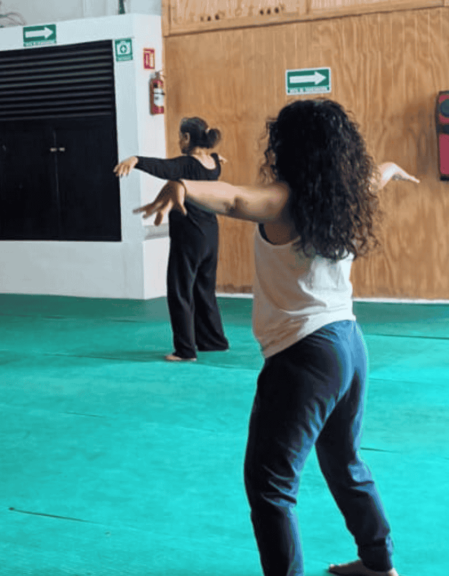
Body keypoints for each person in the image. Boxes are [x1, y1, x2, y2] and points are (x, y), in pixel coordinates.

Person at [136, 99, 417, 576]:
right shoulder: (347, 194)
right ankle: (378, 563)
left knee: (270, 488)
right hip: (349, 345)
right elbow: (379, 176)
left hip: (305, 356)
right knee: (345, 462)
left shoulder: (285, 199)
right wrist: (389, 166)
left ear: (287, 148)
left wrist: (182, 183)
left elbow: (233, 199)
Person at [114, 117, 230, 362]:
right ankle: (214, 341)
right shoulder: (214, 163)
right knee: (204, 290)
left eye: (181, 136)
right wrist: (217, 158)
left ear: (187, 138)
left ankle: (185, 350)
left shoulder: (186, 165)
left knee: (179, 291)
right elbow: (215, 161)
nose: (179, 141)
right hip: (210, 235)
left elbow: (163, 168)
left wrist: (136, 161)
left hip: (189, 237)